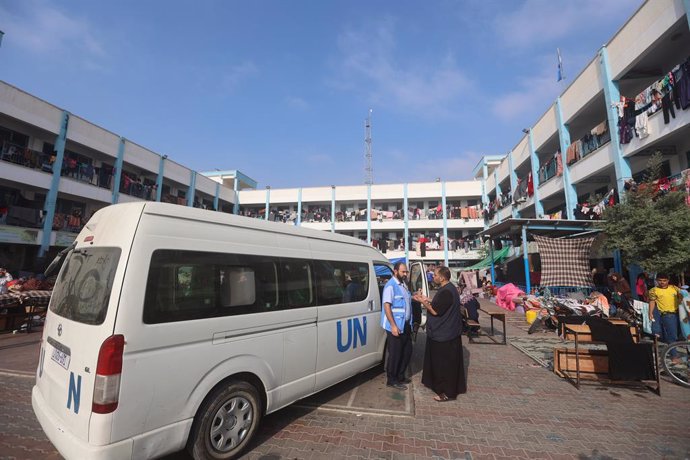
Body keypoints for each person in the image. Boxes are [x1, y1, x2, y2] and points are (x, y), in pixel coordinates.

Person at [414, 266, 466, 401]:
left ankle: (445, 393)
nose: (433, 277)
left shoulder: (446, 292)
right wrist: (427, 298)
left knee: (444, 365)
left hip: (444, 334)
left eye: (435, 275)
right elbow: (440, 303)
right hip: (446, 333)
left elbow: (435, 311)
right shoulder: (449, 289)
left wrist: (422, 302)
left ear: (442, 277)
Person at [381, 262, 414, 390]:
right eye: (403, 272)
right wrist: (393, 326)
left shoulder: (403, 285)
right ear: (395, 271)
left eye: (406, 272)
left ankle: (400, 376)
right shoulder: (391, 286)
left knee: (407, 351)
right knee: (395, 354)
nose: (405, 274)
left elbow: (406, 302)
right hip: (395, 325)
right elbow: (387, 306)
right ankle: (391, 379)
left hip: (405, 324)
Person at [648, 274, 682, 356]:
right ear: (656, 280)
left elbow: (681, 297)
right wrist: (650, 312)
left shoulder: (674, 288)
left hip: (679, 314)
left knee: (680, 334)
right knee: (672, 336)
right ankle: (674, 355)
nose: (662, 282)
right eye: (660, 280)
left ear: (668, 280)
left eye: (664, 280)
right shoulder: (654, 290)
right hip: (667, 315)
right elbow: (652, 301)